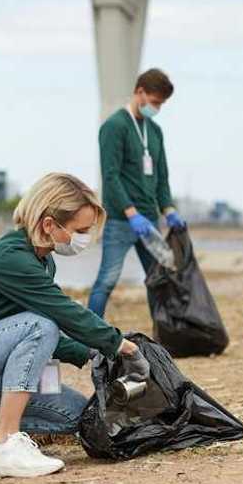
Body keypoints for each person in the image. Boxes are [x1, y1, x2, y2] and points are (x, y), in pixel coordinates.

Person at [0, 173, 150, 478]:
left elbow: (43, 337)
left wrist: (90, 353)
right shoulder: (11, 258)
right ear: (49, 225)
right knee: (40, 325)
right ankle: (5, 447)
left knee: (75, 414)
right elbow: (62, 314)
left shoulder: (43, 260)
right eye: (80, 230)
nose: (85, 238)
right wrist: (117, 344)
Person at [86, 68, 187, 318]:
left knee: (157, 280)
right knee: (107, 280)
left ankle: (163, 336)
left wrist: (169, 209)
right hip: (121, 221)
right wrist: (131, 213)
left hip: (149, 221)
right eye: (154, 102)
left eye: (161, 104)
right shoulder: (114, 126)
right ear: (139, 92)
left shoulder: (155, 131)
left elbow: (162, 177)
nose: (157, 108)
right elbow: (110, 176)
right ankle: (89, 339)